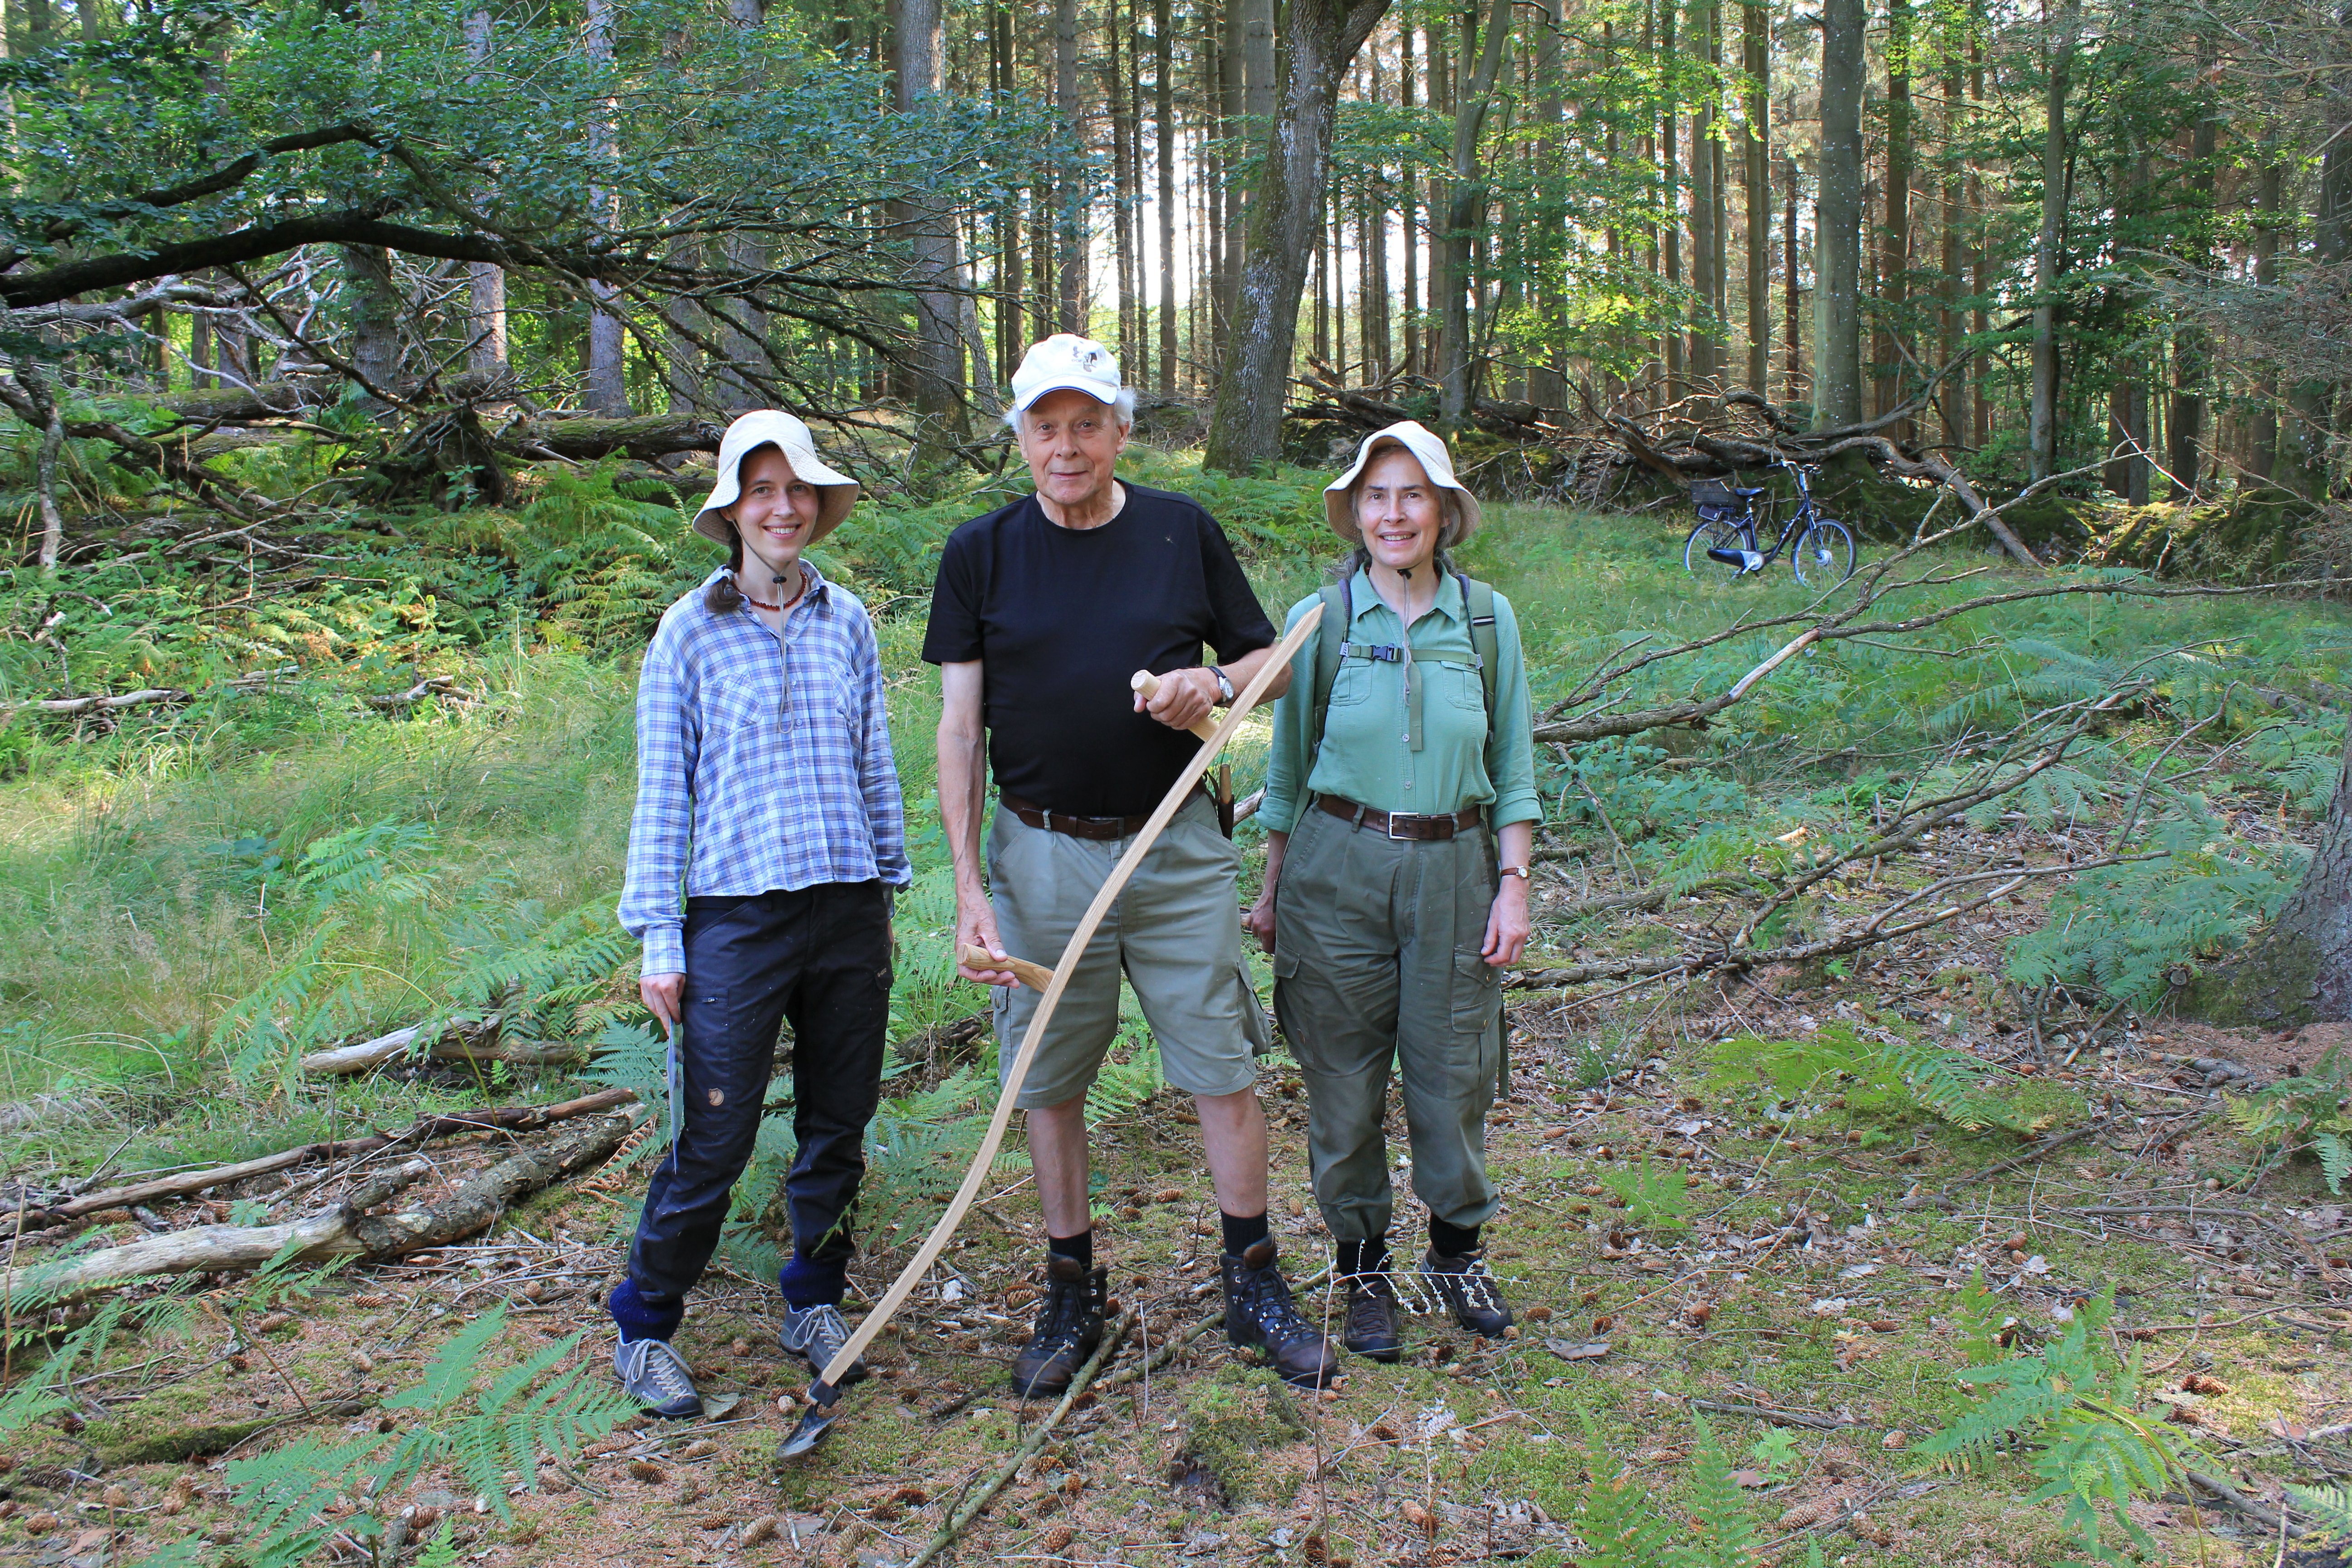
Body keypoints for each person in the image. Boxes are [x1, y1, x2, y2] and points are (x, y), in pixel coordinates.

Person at [924, 334, 1339, 1393]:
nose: (1068, 446)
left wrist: (1210, 683)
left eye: (1088, 424)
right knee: (1050, 1079)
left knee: (1221, 1063)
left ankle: (1251, 1277)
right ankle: (1073, 1293)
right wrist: (971, 887)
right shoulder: (981, 554)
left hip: (1178, 849)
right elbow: (959, 728)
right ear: (1018, 436)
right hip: (1041, 854)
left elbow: (1270, 667)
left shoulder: (1179, 532)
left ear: (1122, 430)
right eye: (1045, 426)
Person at [612, 410, 910, 1417]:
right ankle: (645, 1321)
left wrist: (889, 892)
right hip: (735, 918)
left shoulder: (850, 620)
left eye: (799, 492)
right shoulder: (689, 631)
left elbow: (874, 762)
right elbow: (664, 791)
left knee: (838, 1125)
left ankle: (815, 1300)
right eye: (762, 491)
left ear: (818, 509)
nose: (782, 509)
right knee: (717, 1133)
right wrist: (662, 936)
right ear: (733, 508)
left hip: (846, 905)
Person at [1245, 421, 1540, 1363]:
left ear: (1445, 512)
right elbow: (1286, 774)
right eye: (1377, 496)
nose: (1394, 512)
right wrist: (1271, 889)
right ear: (1356, 513)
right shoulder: (1320, 619)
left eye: (1414, 494)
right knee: (1341, 1085)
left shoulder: (1487, 620)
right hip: (1335, 873)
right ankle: (1362, 1272)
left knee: (1454, 1075)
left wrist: (1514, 885)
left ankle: (1455, 1255)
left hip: (1456, 869)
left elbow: (1516, 768)